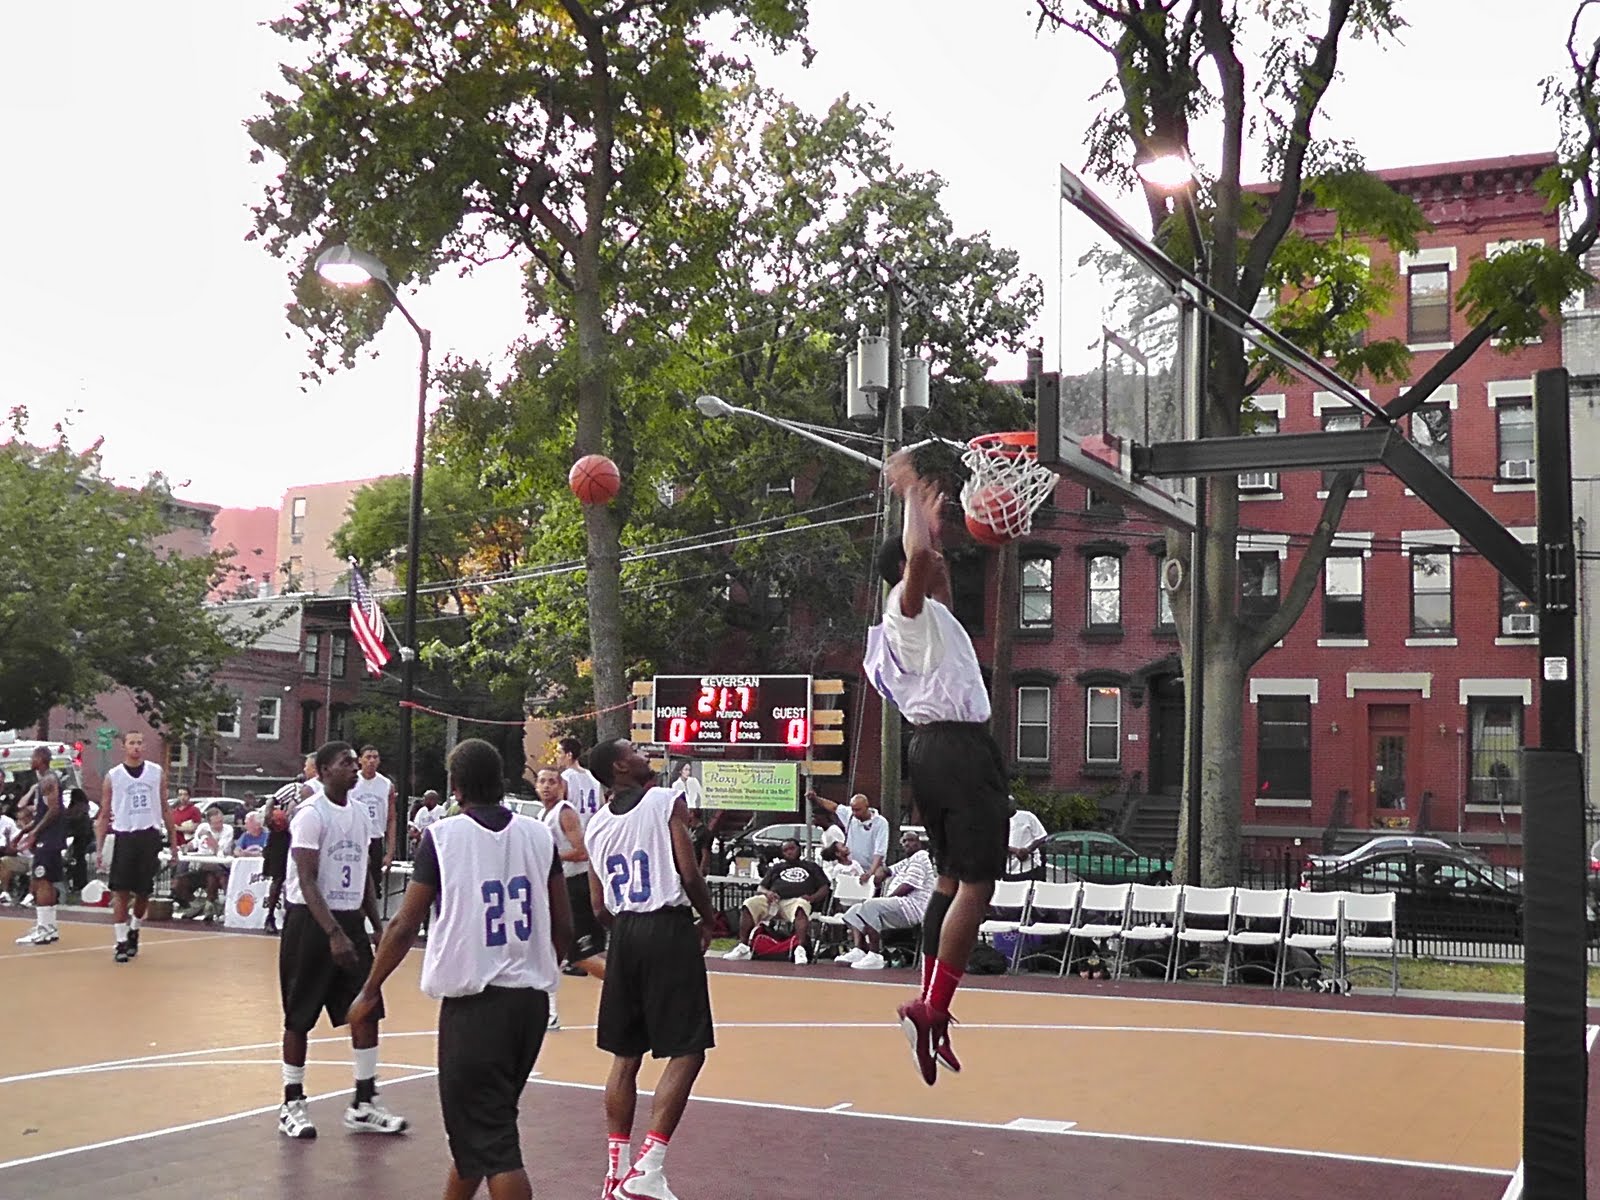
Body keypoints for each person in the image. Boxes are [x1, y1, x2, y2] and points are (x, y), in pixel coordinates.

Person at [349, 739, 573, 1200]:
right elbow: (564, 925)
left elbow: (403, 924)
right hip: (529, 1004)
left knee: (497, 1148)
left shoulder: (445, 836)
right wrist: (535, 960)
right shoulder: (538, 835)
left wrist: (370, 987)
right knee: (482, 1136)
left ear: (455, 787)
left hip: (477, 1009)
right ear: (503, 781)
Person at [863, 450, 1010, 1085]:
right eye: (931, 554)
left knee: (948, 884)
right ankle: (933, 1005)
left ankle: (932, 1011)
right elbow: (921, 559)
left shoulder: (921, 622)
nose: (942, 557)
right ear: (903, 571)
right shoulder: (906, 606)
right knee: (979, 886)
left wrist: (932, 518)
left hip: (932, 753)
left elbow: (930, 559)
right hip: (958, 750)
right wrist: (907, 495)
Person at [585, 739, 719, 1200]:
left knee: (626, 1056)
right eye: (633, 748)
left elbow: (598, 904)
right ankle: (649, 1167)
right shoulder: (664, 800)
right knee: (688, 1049)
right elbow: (688, 871)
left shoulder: (596, 826)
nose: (643, 750)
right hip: (666, 929)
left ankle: (615, 1172)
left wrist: (625, 931)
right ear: (621, 767)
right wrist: (708, 920)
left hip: (624, 934)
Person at [276, 740, 407, 1141]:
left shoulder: (358, 815)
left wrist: (376, 923)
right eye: (346, 763)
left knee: (365, 1009)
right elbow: (306, 879)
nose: (354, 768)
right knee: (300, 1015)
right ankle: (291, 1102)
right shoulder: (311, 815)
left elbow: (363, 872)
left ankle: (364, 1101)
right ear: (323, 770)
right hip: (311, 923)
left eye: (355, 761)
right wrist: (332, 932)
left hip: (349, 921)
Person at [534, 766, 607, 1032]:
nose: (546, 786)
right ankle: (550, 1011)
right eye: (542, 781)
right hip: (557, 888)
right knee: (551, 950)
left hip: (574, 888)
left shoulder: (564, 812)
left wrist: (547, 856)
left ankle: (627, 991)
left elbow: (581, 851)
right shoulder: (543, 814)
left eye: (552, 782)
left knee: (578, 955)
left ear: (562, 787)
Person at [97, 732, 178, 964]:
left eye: (140, 742)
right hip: (125, 835)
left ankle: (135, 928)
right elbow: (104, 815)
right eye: (131, 743)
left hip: (149, 835)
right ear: (124, 747)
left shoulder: (156, 773)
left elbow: (164, 807)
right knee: (120, 891)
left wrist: (174, 842)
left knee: (143, 892)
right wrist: (101, 847)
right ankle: (121, 941)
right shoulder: (113, 776)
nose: (136, 747)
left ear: (144, 746)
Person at [835, 828, 937, 970]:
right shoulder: (908, 861)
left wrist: (886, 899)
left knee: (871, 906)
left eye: (911, 840)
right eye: (904, 841)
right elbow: (888, 870)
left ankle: (875, 955)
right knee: (854, 910)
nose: (907, 844)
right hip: (899, 906)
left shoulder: (921, 858)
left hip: (912, 907)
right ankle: (860, 950)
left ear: (919, 843)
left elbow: (908, 886)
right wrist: (880, 872)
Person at [722, 838, 830, 965]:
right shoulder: (777, 868)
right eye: (785, 850)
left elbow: (825, 887)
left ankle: (800, 949)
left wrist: (813, 898)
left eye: (792, 848)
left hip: (795, 901)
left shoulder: (812, 867)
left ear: (799, 849)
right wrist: (767, 893)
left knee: (801, 906)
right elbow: (761, 887)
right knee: (750, 903)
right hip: (773, 901)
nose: (789, 852)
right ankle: (743, 946)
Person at [14, 747, 67, 946]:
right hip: (50, 837)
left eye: (32, 757)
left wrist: (35, 833)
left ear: (40, 759)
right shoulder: (44, 780)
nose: (30, 760)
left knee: (41, 880)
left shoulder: (48, 780)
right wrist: (23, 831)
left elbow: (54, 810)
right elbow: (41, 814)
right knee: (48, 880)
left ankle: (43, 928)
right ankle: (50, 927)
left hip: (49, 838)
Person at [264, 756, 317, 935]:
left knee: (302, 877)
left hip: (303, 836)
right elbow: (272, 800)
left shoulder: (321, 791)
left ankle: (298, 917)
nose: (304, 769)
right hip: (283, 835)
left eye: (307, 766)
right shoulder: (294, 787)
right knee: (278, 878)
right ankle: (269, 916)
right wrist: (269, 818)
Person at [808, 792, 888, 887]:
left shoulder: (880, 822)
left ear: (866, 806)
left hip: (871, 867)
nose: (854, 813)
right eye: (853, 809)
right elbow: (834, 807)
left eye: (858, 810)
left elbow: (879, 852)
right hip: (852, 867)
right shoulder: (850, 815)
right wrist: (816, 799)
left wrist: (870, 872)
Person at [350, 746, 399, 893]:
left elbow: (391, 819)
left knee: (373, 884)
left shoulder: (386, 785)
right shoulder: (352, 781)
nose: (371, 761)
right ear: (360, 760)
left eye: (375, 757)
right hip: (355, 836)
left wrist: (390, 852)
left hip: (375, 838)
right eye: (368, 757)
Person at [174, 805, 235, 921]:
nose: (219, 825)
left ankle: (210, 906)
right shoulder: (202, 827)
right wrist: (186, 847)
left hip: (220, 869)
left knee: (212, 877)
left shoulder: (228, 830)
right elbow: (195, 843)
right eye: (216, 823)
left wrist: (209, 836)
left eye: (221, 821)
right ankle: (196, 905)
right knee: (178, 883)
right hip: (201, 867)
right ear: (209, 823)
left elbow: (220, 851)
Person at [556, 737, 603, 827]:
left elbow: (559, 806)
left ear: (569, 755)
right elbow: (601, 804)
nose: (556, 756)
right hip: (592, 827)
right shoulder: (593, 776)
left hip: (574, 828)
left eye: (559, 752)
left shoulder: (566, 777)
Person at [1005, 797, 1049, 883]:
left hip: (1030, 865)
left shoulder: (1027, 816)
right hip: (1009, 867)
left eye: (1008, 804)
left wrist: (1028, 850)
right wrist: (1016, 850)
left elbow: (1042, 836)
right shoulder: (999, 821)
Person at [409, 789, 444, 856]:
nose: (423, 801)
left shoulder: (441, 810)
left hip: (435, 840)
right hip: (422, 839)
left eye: (425, 799)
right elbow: (416, 825)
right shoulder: (422, 811)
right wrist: (414, 831)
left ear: (432, 800)